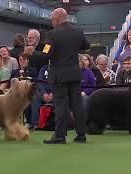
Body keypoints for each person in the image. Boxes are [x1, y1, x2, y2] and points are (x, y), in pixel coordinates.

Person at [26, 8, 90, 144]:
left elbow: (46, 55)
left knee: (61, 105)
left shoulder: (52, 34)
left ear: (56, 19)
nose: (52, 23)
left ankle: (60, 136)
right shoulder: (78, 31)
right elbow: (86, 45)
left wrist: (32, 52)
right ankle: (81, 134)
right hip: (74, 73)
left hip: (59, 75)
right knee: (77, 104)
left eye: (52, 20)